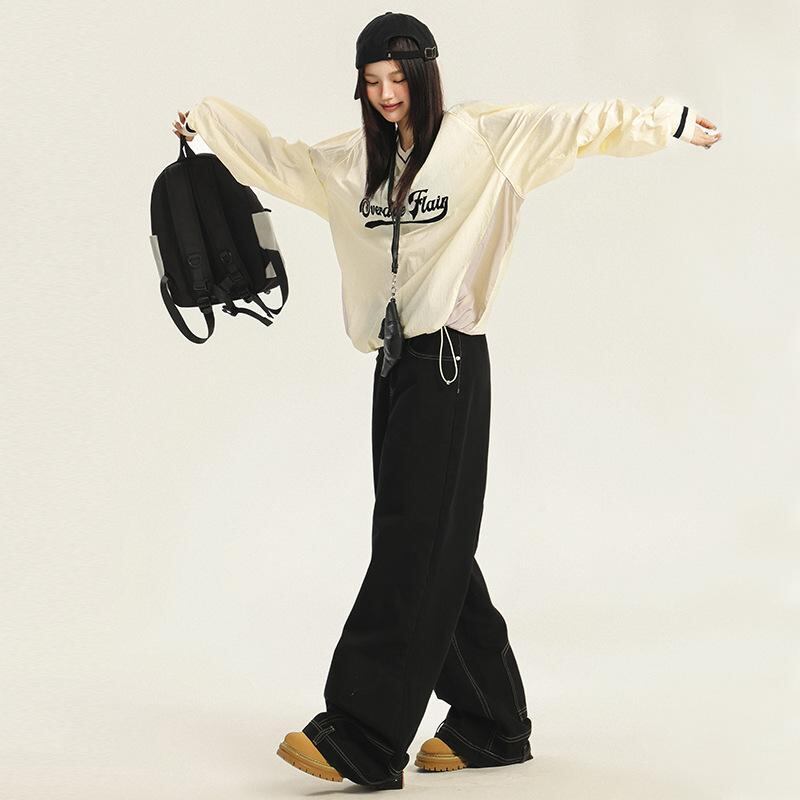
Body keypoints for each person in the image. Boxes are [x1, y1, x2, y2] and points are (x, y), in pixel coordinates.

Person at [173, 11, 722, 792]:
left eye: (399, 78)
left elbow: (578, 126)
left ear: (426, 75)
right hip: (394, 365)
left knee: (414, 540)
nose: (386, 94)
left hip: (451, 362)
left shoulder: (484, 139)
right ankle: (491, 720)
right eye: (372, 82)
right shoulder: (352, 162)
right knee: (433, 541)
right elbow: (282, 160)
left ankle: (364, 732)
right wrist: (208, 126)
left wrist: (666, 121)